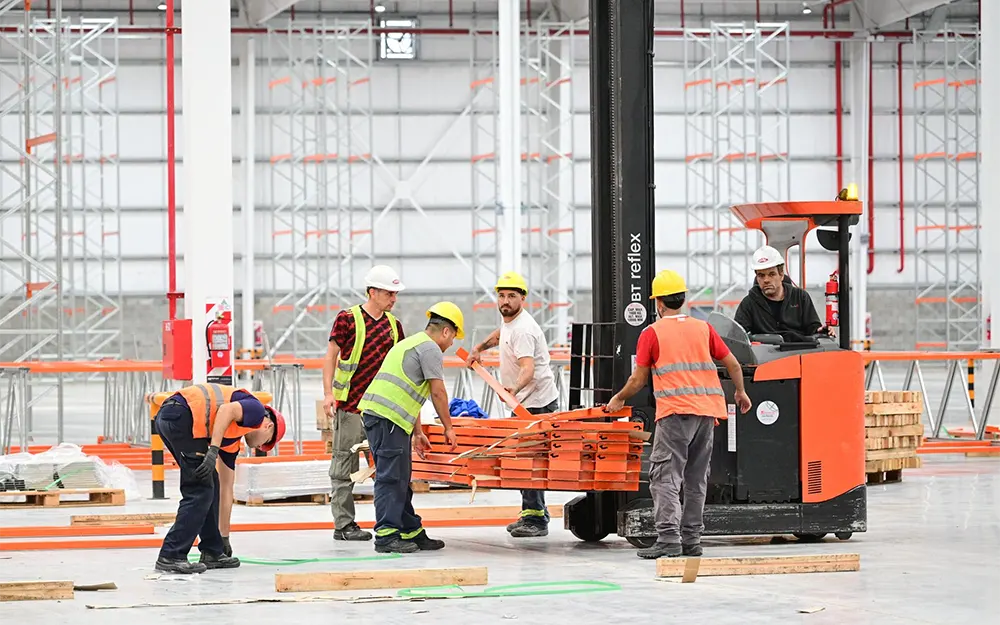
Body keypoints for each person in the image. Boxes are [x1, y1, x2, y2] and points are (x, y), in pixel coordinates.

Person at [604, 269, 751, 560]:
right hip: (708, 414)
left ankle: (669, 539)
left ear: (659, 303)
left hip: (675, 414)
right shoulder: (703, 328)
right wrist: (740, 392)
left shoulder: (652, 333)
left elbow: (639, 380)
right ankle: (692, 540)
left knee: (664, 478)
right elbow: (733, 363)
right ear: (682, 300)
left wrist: (618, 398)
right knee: (697, 478)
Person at [357, 302, 463, 554]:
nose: (451, 346)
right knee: (391, 477)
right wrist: (449, 427)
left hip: (387, 418)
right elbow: (437, 392)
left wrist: (418, 432)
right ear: (446, 331)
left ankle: (409, 529)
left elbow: (410, 390)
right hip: (387, 419)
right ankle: (386, 534)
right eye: (453, 339)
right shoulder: (430, 349)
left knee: (401, 477)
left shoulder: (410, 343)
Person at [154, 384, 286, 574]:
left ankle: (212, 551)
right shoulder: (256, 411)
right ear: (268, 426)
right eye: (265, 442)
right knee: (199, 490)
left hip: (173, 417)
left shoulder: (232, 440)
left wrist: (224, 538)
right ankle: (171, 554)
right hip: (181, 415)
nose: (259, 446)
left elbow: (226, 488)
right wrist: (213, 449)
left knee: (212, 484)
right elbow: (226, 410)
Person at [466, 271, 559, 538]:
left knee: (529, 461)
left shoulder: (524, 330)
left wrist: (512, 390)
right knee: (526, 459)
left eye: (512, 296)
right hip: (523, 402)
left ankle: (536, 520)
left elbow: (528, 369)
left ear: (523, 299)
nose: (505, 301)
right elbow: (500, 335)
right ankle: (535, 511)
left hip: (535, 404)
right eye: (502, 296)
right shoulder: (511, 323)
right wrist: (479, 348)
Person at [322, 265, 406, 542]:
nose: (394, 299)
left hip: (382, 412)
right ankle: (344, 525)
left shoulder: (395, 326)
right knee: (343, 467)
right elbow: (331, 355)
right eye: (389, 293)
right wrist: (328, 394)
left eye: (395, 294)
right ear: (373, 292)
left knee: (386, 470)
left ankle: (390, 524)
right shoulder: (348, 319)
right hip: (351, 408)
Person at [734, 245, 833, 340]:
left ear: (781, 275)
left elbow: (813, 328)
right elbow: (737, 335)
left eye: (771, 274)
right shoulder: (749, 304)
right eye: (761, 275)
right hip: (765, 355)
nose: (766, 280)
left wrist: (821, 331)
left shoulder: (800, 297)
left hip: (799, 352)